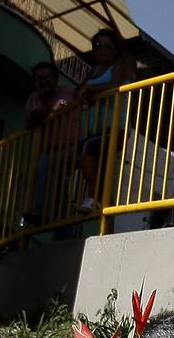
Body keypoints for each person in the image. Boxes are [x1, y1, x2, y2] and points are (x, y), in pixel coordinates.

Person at [76, 29, 132, 212]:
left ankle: (93, 197)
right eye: (98, 46)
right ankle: (100, 199)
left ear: (115, 50)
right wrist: (87, 91)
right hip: (97, 129)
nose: (102, 50)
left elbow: (115, 84)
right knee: (98, 163)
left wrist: (92, 90)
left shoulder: (120, 65)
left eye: (107, 46)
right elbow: (79, 91)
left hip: (116, 127)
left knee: (85, 148)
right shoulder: (94, 71)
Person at [22, 62, 76, 224]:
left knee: (44, 166)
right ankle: (64, 230)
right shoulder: (33, 99)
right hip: (48, 151)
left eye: (47, 77)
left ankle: (39, 212)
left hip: (70, 148)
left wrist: (42, 113)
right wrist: (49, 108)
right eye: (39, 78)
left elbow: (61, 106)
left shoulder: (65, 91)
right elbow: (29, 122)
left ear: (55, 79)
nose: (43, 81)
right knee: (57, 190)